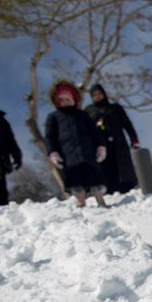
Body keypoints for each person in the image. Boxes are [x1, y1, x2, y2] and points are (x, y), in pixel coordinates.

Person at [44, 80, 108, 208]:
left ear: (74, 98)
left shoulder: (83, 115)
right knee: (75, 179)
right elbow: (49, 137)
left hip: (87, 152)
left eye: (68, 98)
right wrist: (52, 152)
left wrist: (101, 146)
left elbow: (95, 132)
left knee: (94, 176)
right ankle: (80, 201)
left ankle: (100, 200)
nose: (65, 101)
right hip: (68, 154)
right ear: (57, 101)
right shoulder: (53, 117)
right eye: (61, 99)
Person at [84, 83, 139, 194]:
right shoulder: (89, 111)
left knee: (121, 167)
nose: (97, 96)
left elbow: (127, 124)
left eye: (99, 94)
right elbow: (85, 130)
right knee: (104, 168)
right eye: (94, 95)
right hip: (100, 145)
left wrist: (134, 139)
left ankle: (125, 187)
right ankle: (107, 188)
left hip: (118, 143)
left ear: (104, 94)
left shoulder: (115, 108)